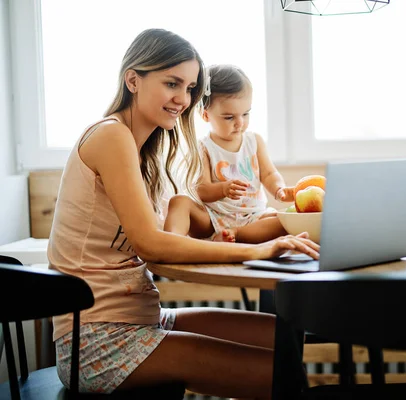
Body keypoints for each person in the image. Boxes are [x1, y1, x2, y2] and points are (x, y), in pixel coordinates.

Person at [47, 28, 319, 399]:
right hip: (100, 339)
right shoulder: (111, 136)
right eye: (172, 83)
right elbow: (153, 247)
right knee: (282, 372)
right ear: (133, 80)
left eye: (190, 88)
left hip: (143, 318)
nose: (183, 99)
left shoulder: (142, 151)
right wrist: (254, 250)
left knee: (282, 336)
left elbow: (167, 239)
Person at [163, 64, 295, 244]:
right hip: (213, 218)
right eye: (229, 117)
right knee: (180, 202)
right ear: (206, 115)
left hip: (252, 217)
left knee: (283, 219)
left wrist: (279, 189)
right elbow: (201, 190)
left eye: (245, 114)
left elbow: (269, 174)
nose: (240, 123)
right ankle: (173, 244)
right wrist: (223, 189)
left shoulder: (254, 141)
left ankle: (237, 234)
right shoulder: (203, 147)